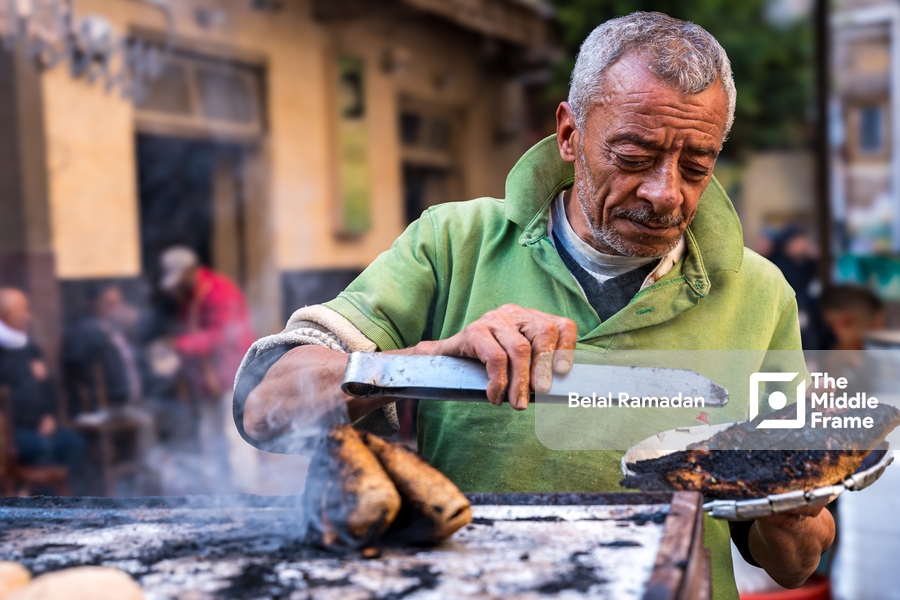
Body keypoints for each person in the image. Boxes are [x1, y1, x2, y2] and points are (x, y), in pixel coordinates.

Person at [233, 13, 833, 598]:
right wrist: (434, 359)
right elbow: (265, 410)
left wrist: (795, 509)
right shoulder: (452, 243)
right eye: (633, 157)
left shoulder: (761, 293)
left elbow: (794, 567)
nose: (665, 192)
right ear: (570, 135)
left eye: (696, 166)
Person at [158, 246, 255, 491]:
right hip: (207, 380)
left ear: (191, 271)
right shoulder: (188, 297)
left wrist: (178, 345)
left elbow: (221, 337)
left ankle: (247, 492)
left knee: (235, 436)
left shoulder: (220, 292)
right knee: (209, 436)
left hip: (232, 374)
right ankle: (218, 491)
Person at [0, 288, 85, 490]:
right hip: (12, 432)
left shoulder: (30, 348)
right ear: (9, 315)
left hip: (41, 424)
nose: (29, 317)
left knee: (73, 443)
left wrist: (49, 416)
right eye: (24, 311)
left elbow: (47, 386)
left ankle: (73, 503)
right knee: (42, 448)